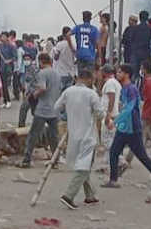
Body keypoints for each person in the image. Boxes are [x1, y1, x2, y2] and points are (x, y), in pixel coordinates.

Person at [103, 64, 151, 191]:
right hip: (125, 128)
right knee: (114, 152)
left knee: (141, 156)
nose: (118, 74)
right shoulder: (124, 89)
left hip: (132, 129)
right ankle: (113, 180)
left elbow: (129, 108)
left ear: (127, 74)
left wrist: (115, 121)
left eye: (120, 72)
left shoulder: (132, 89)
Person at [56, 69, 104, 210]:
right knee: (83, 167)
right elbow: (100, 113)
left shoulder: (68, 92)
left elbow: (57, 107)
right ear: (89, 79)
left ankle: (90, 196)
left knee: (84, 165)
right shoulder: (91, 94)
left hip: (73, 135)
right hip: (88, 136)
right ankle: (68, 195)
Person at [20, 53, 61, 168]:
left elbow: (42, 88)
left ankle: (26, 159)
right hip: (54, 109)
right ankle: (55, 161)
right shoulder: (57, 74)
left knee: (33, 135)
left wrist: (34, 95)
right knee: (53, 137)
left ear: (42, 61)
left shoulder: (42, 73)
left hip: (43, 109)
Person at [99, 64, 122, 161]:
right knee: (111, 138)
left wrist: (108, 114)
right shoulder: (115, 82)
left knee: (106, 139)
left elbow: (111, 97)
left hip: (109, 114)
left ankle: (120, 160)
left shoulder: (110, 83)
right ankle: (109, 161)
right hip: (114, 114)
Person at [18, 53, 38, 127]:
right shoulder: (27, 68)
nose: (26, 61)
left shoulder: (33, 68)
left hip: (33, 92)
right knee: (34, 111)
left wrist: (32, 92)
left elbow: (37, 80)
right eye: (25, 59)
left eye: (27, 59)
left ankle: (21, 125)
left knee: (24, 108)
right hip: (30, 92)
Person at [53, 26, 76, 91]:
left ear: (63, 34)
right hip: (70, 73)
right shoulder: (73, 45)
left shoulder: (59, 44)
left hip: (60, 73)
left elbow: (56, 57)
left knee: (60, 93)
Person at [0, 33, 16, 108]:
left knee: (5, 85)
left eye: (4, 37)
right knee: (2, 85)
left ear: (7, 38)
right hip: (1, 67)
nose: (2, 38)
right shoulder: (0, 46)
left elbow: (14, 56)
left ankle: (8, 101)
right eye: (1, 36)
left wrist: (9, 61)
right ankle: (5, 101)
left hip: (7, 68)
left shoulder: (10, 46)